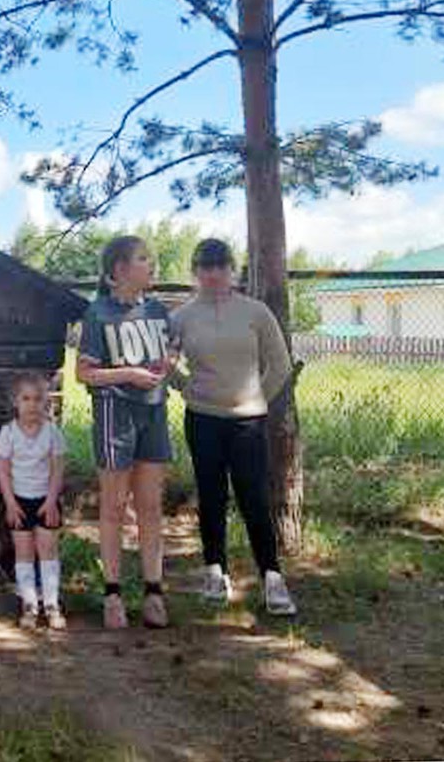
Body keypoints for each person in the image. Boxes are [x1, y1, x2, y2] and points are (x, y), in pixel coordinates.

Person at [170, 238, 297, 616]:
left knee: (253, 498)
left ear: (232, 270)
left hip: (249, 423)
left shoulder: (256, 313)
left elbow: (281, 365)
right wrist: (184, 386)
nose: (213, 275)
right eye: (205, 268)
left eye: (220, 267)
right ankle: (215, 571)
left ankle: (272, 578)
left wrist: (258, 399)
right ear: (196, 273)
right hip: (203, 419)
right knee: (210, 497)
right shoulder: (182, 317)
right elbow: (164, 364)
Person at [76, 235, 172, 630]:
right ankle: (112, 593)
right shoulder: (98, 314)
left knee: (150, 506)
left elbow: (167, 357)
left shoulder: (158, 311)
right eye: (143, 259)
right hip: (115, 415)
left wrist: (166, 367)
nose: (152, 265)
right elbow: (84, 372)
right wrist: (130, 374)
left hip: (154, 415)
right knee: (114, 507)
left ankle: (153, 592)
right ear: (119, 270)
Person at [0, 372, 67, 630]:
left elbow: (58, 469)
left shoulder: (52, 433)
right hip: (19, 503)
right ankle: (29, 605)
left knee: (48, 553)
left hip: (46, 502)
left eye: (38, 399)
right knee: (24, 554)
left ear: (46, 402)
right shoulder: (8, 433)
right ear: (16, 402)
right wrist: (11, 504)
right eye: (26, 398)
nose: (32, 404)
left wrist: (50, 502)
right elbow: (2, 471)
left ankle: (51, 604)